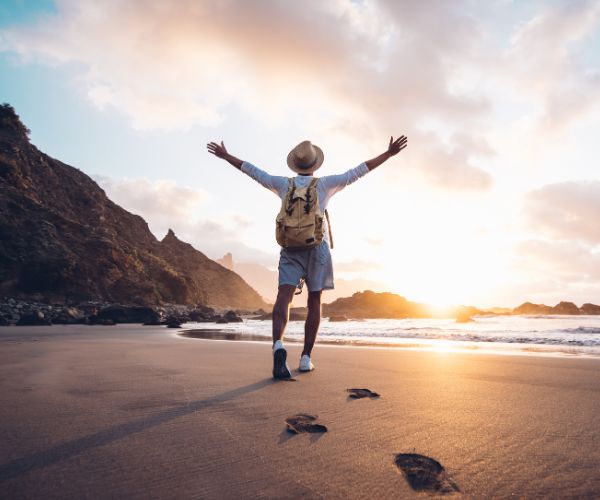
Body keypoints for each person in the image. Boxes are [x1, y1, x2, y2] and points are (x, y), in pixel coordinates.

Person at [207, 135, 408, 379]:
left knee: (284, 297)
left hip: (290, 248)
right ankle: (305, 358)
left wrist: (226, 156)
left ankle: (278, 345)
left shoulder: (282, 184)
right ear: (314, 165)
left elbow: (253, 171)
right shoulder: (325, 185)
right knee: (314, 300)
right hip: (317, 248)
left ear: (295, 164)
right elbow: (358, 171)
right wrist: (387, 154)